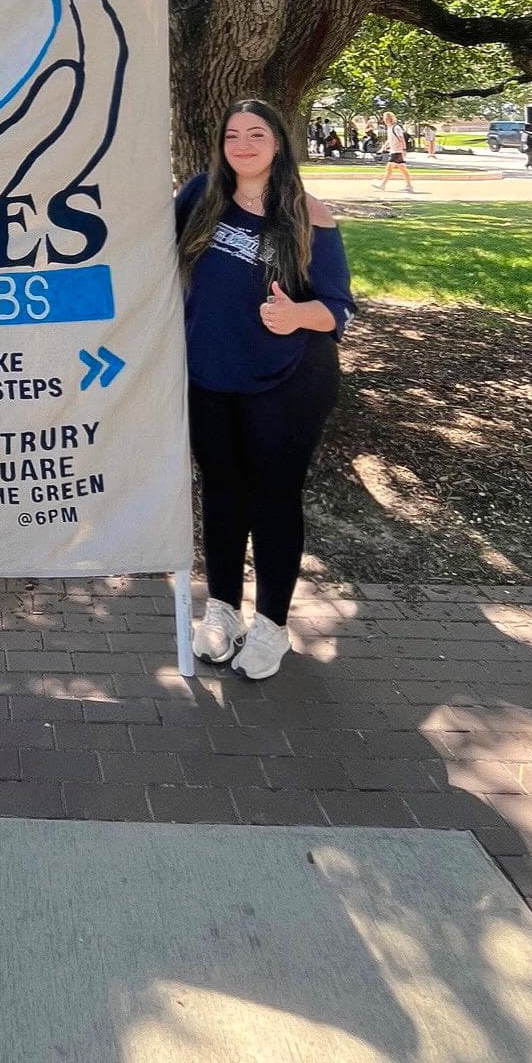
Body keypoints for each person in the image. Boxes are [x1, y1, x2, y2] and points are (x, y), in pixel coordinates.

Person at [176, 100, 354, 682]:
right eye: (233, 135)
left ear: (278, 143)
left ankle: (272, 625)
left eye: (257, 134)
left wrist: (297, 315)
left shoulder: (307, 213)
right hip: (209, 374)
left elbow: (338, 308)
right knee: (221, 492)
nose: (243, 145)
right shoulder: (200, 197)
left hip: (290, 380)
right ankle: (222, 609)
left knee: (274, 498)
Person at [373, 110, 415, 194]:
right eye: (385, 118)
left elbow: (401, 139)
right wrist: (383, 147)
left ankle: (383, 185)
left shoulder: (396, 128)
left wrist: (404, 149)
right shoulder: (390, 128)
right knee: (402, 169)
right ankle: (409, 186)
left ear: (391, 119)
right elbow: (390, 139)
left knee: (390, 168)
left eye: (387, 118)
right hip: (394, 151)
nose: (386, 120)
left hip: (397, 151)